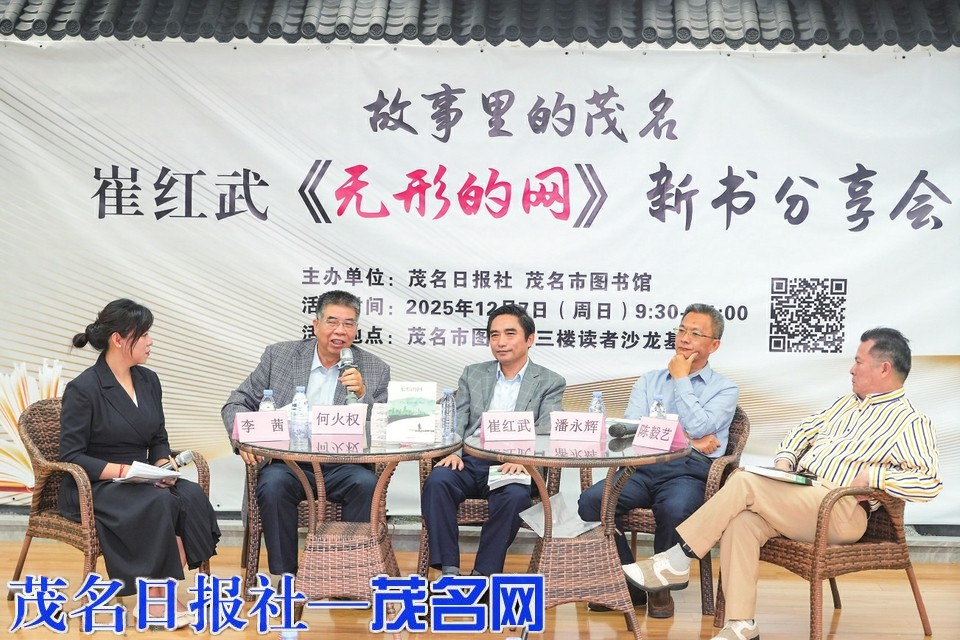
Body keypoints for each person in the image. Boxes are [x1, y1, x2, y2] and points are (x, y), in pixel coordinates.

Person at [621, 327, 942, 640]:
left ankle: (678, 559)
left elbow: (929, 482)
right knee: (743, 522)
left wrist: (874, 477)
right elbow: (801, 432)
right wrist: (785, 461)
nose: (851, 369)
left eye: (859, 361)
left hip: (841, 510)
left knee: (743, 481)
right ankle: (741, 624)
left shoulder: (910, 421)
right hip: (801, 496)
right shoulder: (846, 404)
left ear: (884, 368)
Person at [60, 299, 220, 629]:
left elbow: (158, 437)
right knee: (160, 502)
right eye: (144, 334)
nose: (150, 341)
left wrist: (162, 467)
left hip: (142, 479)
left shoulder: (149, 380)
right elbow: (72, 455)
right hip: (96, 484)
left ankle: (161, 591)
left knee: (189, 495)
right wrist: (125, 472)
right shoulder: (84, 388)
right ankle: (155, 598)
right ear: (118, 339)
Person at [578, 303, 739, 617]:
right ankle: (630, 583)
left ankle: (660, 585)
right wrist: (689, 440)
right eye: (682, 330)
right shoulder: (649, 380)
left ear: (714, 345)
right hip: (643, 466)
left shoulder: (725, 389)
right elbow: (630, 430)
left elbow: (701, 426)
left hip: (689, 471)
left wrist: (680, 380)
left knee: (675, 509)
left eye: (696, 333)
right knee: (592, 502)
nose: (685, 338)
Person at [221, 290, 390, 578]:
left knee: (366, 484)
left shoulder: (375, 368)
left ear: (356, 329)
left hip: (343, 465)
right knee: (272, 486)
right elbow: (236, 403)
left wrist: (362, 395)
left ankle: (344, 574)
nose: (340, 331)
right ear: (316, 324)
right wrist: (243, 440)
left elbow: (382, 429)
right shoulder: (279, 356)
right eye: (332, 321)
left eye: (349, 324)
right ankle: (284, 576)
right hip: (287, 463)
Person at [420, 304, 566, 578]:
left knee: (515, 497)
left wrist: (523, 460)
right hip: (469, 460)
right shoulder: (473, 374)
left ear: (530, 339)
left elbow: (546, 430)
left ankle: (483, 574)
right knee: (437, 482)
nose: (500, 342)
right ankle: (449, 569)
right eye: (494, 335)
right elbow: (457, 420)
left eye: (510, 333)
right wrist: (452, 452)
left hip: (514, 464)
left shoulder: (550, 381)